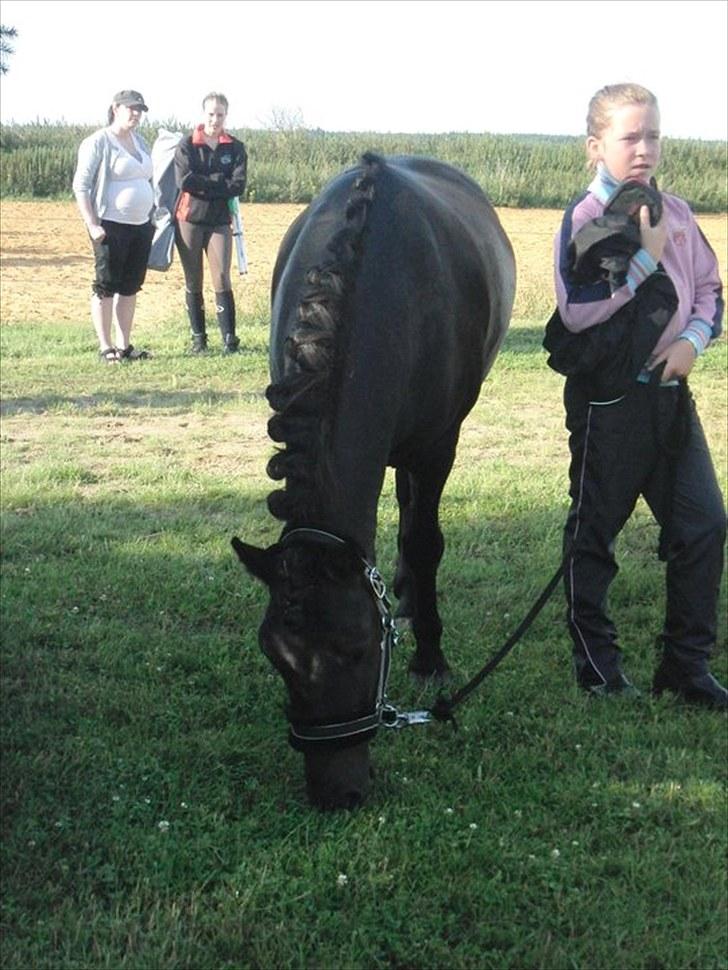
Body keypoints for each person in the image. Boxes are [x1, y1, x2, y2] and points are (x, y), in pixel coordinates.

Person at [551, 83, 726, 709]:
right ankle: (597, 664)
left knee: (705, 523)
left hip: (670, 397)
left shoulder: (675, 211)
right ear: (596, 146)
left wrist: (693, 342)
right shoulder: (586, 219)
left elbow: (709, 289)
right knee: (595, 533)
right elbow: (577, 311)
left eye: (653, 135)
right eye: (630, 137)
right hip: (610, 402)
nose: (644, 148)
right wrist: (646, 261)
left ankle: (685, 666)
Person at [73, 90, 154, 363]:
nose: (136, 114)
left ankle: (125, 345)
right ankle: (106, 347)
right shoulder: (98, 142)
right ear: (115, 108)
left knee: (130, 286)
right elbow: (81, 185)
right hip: (109, 225)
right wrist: (92, 223)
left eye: (140, 110)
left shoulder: (140, 141)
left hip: (140, 225)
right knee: (106, 286)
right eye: (131, 108)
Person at [174, 92, 247, 354]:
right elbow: (185, 181)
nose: (215, 120)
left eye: (220, 114)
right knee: (193, 279)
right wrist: (219, 183)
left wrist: (205, 182)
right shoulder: (187, 145)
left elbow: (238, 186)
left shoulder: (235, 147)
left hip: (219, 222)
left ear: (226, 115)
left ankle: (229, 339)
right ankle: (199, 339)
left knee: (222, 278)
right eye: (211, 114)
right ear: (203, 114)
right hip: (189, 220)